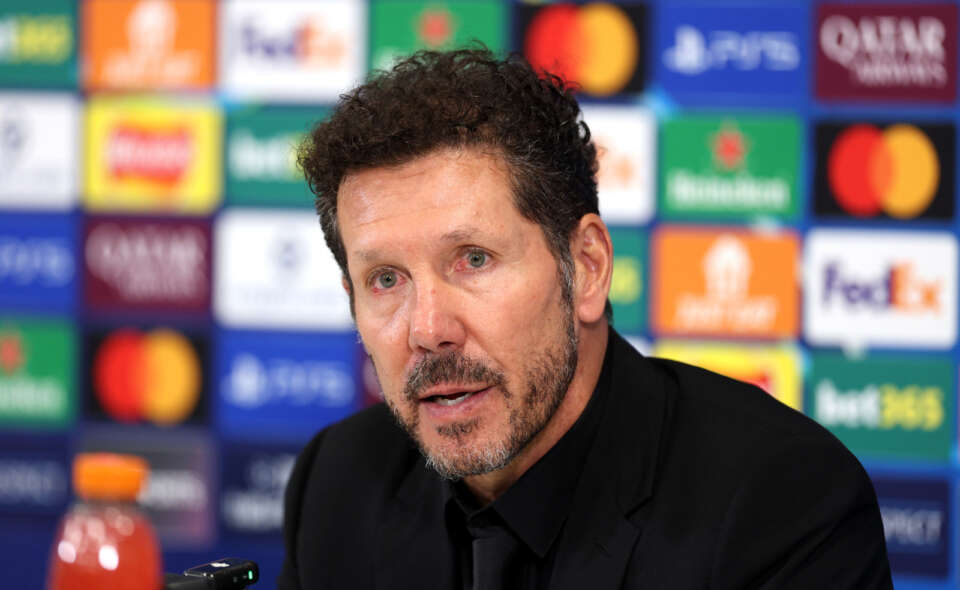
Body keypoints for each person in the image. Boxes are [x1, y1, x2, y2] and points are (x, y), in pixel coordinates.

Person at [278, 47, 893, 589]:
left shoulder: (781, 502)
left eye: (472, 259)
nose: (427, 328)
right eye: (386, 280)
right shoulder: (338, 483)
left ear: (588, 267)